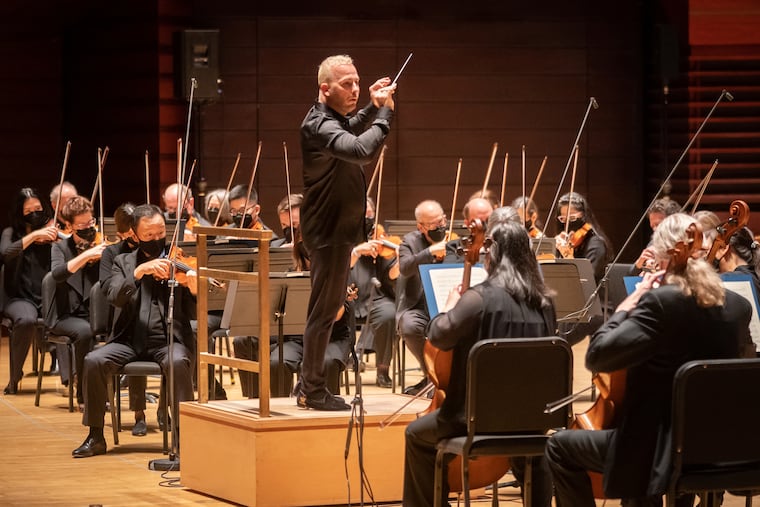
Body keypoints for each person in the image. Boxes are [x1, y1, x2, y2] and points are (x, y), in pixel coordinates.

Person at [545, 213, 754, 506]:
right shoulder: (739, 307)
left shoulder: (658, 302)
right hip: (715, 445)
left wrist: (627, 306)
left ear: (664, 254)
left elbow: (598, 356)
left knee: (559, 447)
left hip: (656, 449)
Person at [403, 219, 557, 507]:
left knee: (415, 435)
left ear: (493, 253)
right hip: (533, 420)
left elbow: (438, 336)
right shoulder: (545, 303)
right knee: (529, 450)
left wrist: (448, 309)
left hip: (476, 419)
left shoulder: (478, 299)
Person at [297, 54, 395, 410]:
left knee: (324, 309)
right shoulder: (317, 125)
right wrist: (385, 114)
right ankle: (312, 390)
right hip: (328, 230)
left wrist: (372, 104)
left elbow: (352, 126)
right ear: (325, 89)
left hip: (337, 228)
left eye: (357, 82)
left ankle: (308, 385)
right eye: (347, 84)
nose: (355, 89)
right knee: (324, 313)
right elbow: (360, 150)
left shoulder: (333, 119)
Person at [73, 204, 196, 458]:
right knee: (93, 360)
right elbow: (114, 297)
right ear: (135, 235)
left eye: (160, 232)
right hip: (128, 340)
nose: (156, 239)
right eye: (148, 236)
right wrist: (138, 273)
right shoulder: (122, 262)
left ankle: (184, 440)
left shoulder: (181, 259)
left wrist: (194, 289)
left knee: (178, 361)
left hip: (167, 341)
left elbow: (198, 311)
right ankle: (95, 436)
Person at [46, 196, 107, 408]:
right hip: (65, 315)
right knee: (85, 332)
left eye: (91, 223)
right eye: (82, 225)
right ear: (69, 226)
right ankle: (84, 395)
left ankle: (108, 390)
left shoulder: (100, 244)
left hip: (94, 312)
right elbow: (58, 274)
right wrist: (85, 256)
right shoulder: (60, 248)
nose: (89, 229)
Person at [1, 188, 59, 394]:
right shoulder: (11, 233)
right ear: (20, 213)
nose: (34, 213)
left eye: (38, 208)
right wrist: (34, 236)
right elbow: (6, 253)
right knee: (26, 320)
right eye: (28, 210)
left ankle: (73, 381)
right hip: (20, 298)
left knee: (67, 315)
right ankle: (15, 376)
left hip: (47, 297)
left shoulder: (51, 233)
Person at [396, 200, 448, 395]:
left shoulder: (453, 239)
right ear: (421, 226)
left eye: (441, 220)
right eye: (433, 224)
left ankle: (448, 376)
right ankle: (432, 375)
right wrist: (429, 253)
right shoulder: (409, 242)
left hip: (446, 306)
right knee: (409, 327)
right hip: (417, 307)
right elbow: (405, 267)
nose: (440, 226)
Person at [351, 198, 399, 388]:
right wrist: (355, 251)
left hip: (377, 297)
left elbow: (390, 275)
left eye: (369, 213)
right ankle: (336, 364)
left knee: (389, 314)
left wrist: (401, 261)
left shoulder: (382, 242)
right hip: (348, 296)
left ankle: (383, 370)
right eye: (362, 214)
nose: (366, 217)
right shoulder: (343, 238)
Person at [632, 197, 681, 273]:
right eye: (652, 226)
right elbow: (631, 278)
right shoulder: (653, 244)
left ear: (673, 221)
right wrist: (639, 264)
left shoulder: (683, 246)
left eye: (658, 224)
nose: (655, 229)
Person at [443, 197, 493, 263]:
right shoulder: (454, 246)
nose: (486, 226)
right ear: (467, 224)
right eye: (480, 222)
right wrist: (474, 252)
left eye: (489, 220)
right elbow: (448, 270)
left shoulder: (503, 245)